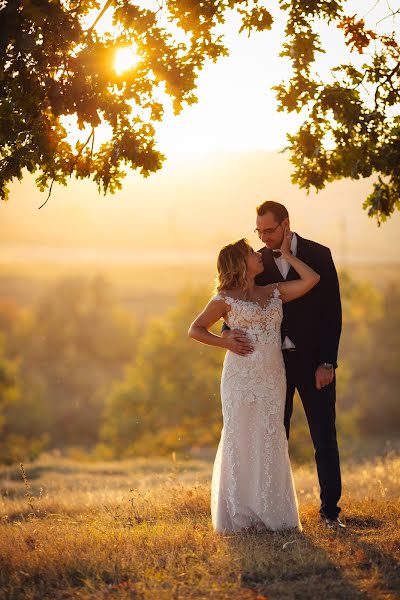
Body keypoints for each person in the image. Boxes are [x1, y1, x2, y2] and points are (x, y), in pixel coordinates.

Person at [188, 228, 320, 534]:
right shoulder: (223, 299)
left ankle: (273, 512)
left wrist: (287, 254)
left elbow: (311, 280)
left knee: (271, 435)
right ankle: (239, 514)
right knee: (240, 437)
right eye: (251, 253)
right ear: (239, 263)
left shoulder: (273, 291)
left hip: (273, 376)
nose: (259, 255)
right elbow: (195, 329)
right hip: (239, 377)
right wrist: (226, 342)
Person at [222, 200, 344, 529]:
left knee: (324, 437)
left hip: (313, 363)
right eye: (258, 231)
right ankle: (271, 511)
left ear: (285, 223)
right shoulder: (257, 261)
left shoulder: (320, 254)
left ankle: (330, 512)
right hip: (270, 368)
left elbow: (333, 314)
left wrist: (327, 362)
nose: (263, 238)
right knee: (274, 437)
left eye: (269, 230)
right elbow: (236, 301)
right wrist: (228, 335)